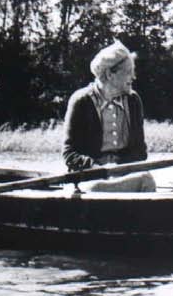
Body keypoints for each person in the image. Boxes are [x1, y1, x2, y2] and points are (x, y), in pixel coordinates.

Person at [62, 40, 155, 192]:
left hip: (124, 173)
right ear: (110, 74)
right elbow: (69, 153)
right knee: (95, 188)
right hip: (91, 176)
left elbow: (140, 151)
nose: (134, 77)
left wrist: (120, 168)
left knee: (146, 180)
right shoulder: (81, 101)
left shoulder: (133, 101)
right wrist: (97, 168)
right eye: (128, 71)